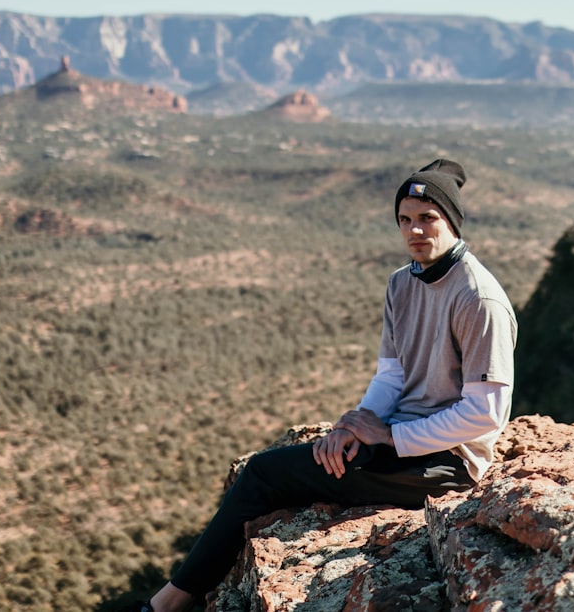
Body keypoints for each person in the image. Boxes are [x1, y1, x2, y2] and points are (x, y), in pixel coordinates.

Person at [122, 158, 517, 612]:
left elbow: (486, 413)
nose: (415, 231)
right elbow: (391, 374)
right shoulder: (400, 285)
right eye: (404, 220)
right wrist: (355, 427)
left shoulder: (478, 298)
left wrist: (389, 436)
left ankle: (166, 605)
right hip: (396, 443)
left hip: (446, 463)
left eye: (428, 218)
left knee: (264, 474)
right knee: (298, 465)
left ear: (452, 220)